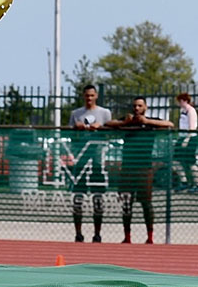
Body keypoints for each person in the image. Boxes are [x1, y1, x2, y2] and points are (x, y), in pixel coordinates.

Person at [105, 97, 173, 244]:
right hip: (128, 168)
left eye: (139, 106)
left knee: (146, 203)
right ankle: (127, 236)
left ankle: (150, 237)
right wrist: (124, 123)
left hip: (144, 167)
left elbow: (169, 124)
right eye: (134, 105)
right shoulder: (127, 121)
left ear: (145, 107)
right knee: (126, 203)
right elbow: (108, 124)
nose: (136, 108)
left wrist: (147, 122)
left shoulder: (150, 121)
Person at [68, 84, 112, 243]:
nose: (89, 98)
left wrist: (100, 129)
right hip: (81, 161)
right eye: (86, 95)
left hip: (98, 161)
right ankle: (78, 233)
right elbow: (70, 137)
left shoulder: (104, 113)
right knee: (78, 198)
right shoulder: (76, 113)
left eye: (92, 95)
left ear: (96, 96)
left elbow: (111, 134)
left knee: (98, 198)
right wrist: (76, 129)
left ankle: (97, 233)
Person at [174, 92, 198, 190]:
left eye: (180, 101)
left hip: (190, 138)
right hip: (182, 137)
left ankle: (196, 184)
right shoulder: (182, 111)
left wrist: (186, 140)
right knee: (176, 160)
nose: (179, 103)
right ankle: (184, 182)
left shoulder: (191, 111)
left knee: (190, 161)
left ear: (184, 101)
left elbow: (192, 127)